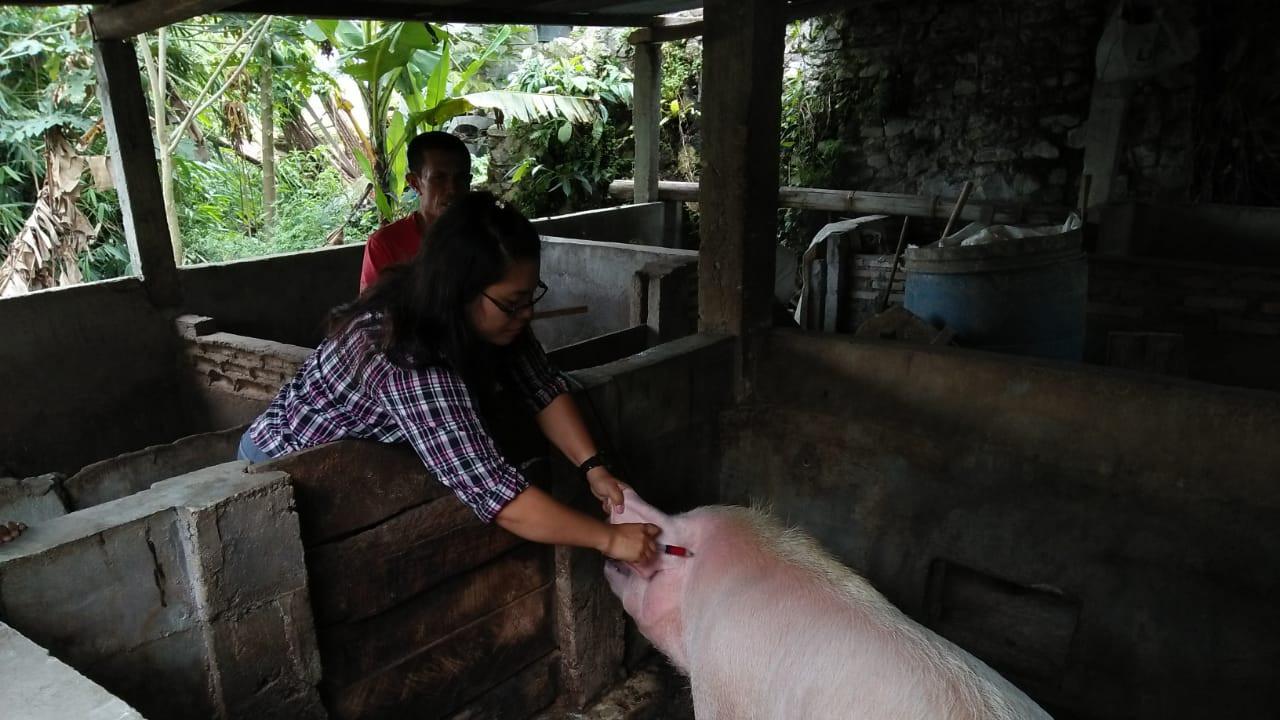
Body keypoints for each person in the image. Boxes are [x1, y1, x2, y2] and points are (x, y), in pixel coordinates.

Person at [242, 191, 661, 565]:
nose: (527, 314)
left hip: (361, 462)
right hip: (280, 474)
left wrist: (593, 469)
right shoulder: (402, 351)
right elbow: (495, 491)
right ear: (459, 290)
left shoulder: (492, 320)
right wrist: (609, 540)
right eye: (514, 303)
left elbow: (542, 386)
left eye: (531, 296)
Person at [360, 131, 473, 292]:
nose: (452, 189)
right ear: (415, 183)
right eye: (439, 178)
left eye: (460, 178)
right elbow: (373, 312)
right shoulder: (385, 244)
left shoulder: (484, 236)